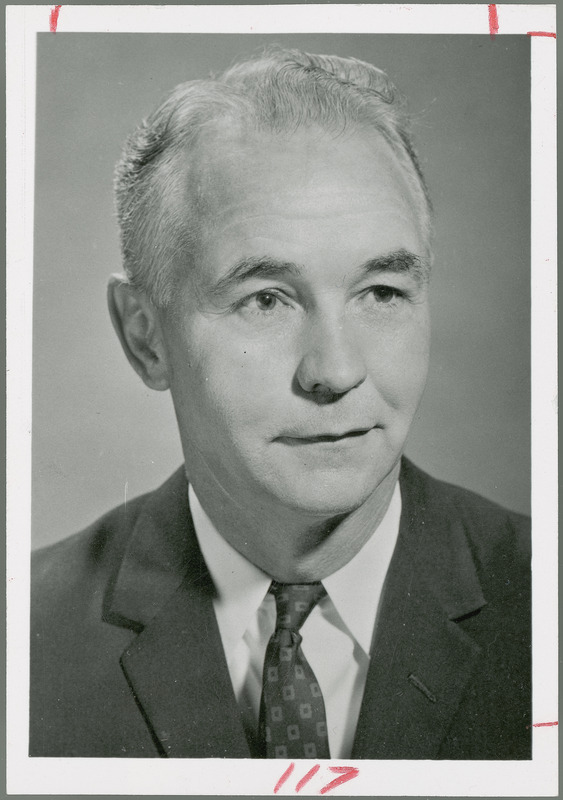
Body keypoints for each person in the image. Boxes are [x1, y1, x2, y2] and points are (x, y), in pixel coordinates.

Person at [30, 47, 531, 760]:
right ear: (146, 338)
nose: (334, 371)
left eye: (380, 293)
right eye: (265, 300)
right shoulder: (23, 641)